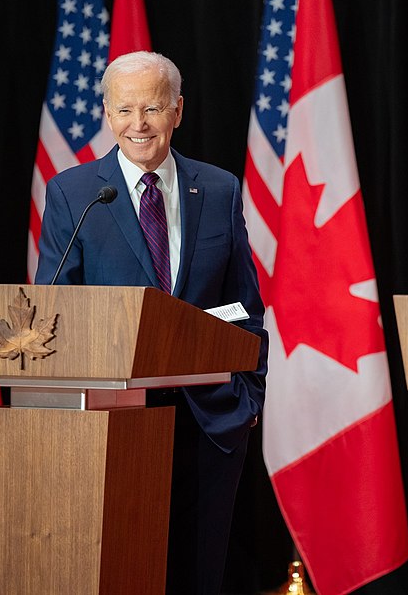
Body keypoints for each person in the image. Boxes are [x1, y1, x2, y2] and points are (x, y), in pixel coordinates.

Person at [35, 51, 267, 595]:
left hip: (210, 417)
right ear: (108, 115)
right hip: (114, 423)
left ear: (178, 111)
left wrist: (248, 398)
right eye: (126, 110)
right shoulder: (75, 193)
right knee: (124, 572)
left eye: (153, 108)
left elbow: (245, 306)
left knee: (199, 574)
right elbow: (56, 309)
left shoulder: (218, 189)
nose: (139, 124)